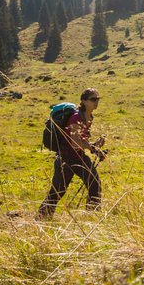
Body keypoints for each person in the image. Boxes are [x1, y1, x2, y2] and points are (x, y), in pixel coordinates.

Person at [38, 88, 107, 217]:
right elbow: (75, 142)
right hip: (66, 158)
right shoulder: (76, 117)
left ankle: (92, 215)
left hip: (78, 157)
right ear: (84, 101)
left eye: (98, 99)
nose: (96, 102)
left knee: (94, 183)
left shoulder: (89, 117)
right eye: (93, 99)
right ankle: (42, 216)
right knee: (58, 190)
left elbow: (82, 140)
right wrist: (93, 149)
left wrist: (96, 145)